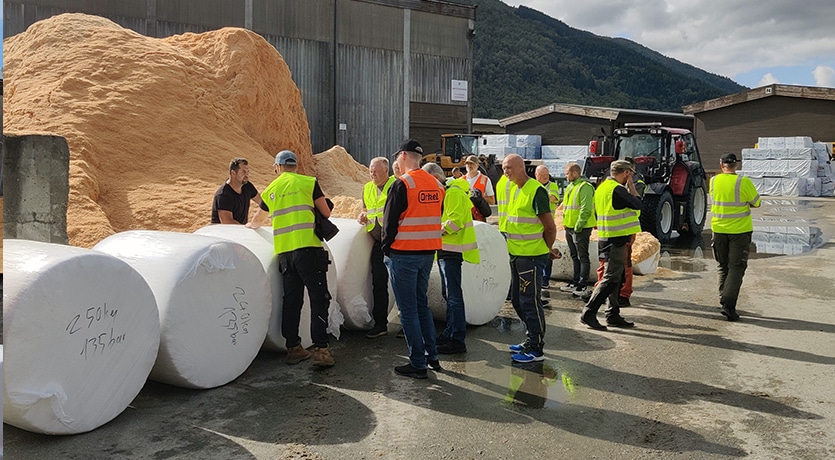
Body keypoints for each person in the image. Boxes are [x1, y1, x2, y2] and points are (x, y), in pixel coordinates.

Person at [247, 150, 335, 367]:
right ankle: (321, 350)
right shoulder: (308, 183)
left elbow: (257, 220)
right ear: (296, 166)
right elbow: (326, 212)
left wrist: (247, 228)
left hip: (285, 255)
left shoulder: (271, 190)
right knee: (318, 298)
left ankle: (293, 347)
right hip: (309, 250)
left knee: (292, 301)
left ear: (277, 167)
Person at [383, 139, 444, 379]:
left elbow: (388, 225)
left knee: (407, 311)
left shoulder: (403, 184)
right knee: (421, 306)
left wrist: (386, 250)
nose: (397, 161)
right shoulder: (437, 185)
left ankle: (418, 363)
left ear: (404, 156)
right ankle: (432, 356)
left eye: (398, 157)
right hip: (427, 254)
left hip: (404, 254)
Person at [502, 154, 560, 363]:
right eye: (503, 168)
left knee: (530, 302)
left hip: (531, 257)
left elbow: (550, 227)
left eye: (509, 167)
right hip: (517, 254)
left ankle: (536, 348)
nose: (506, 171)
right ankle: (530, 338)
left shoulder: (536, 191)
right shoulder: (516, 190)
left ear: (520, 167)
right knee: (517, 301)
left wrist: (546, 249)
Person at [423, 162, 480, 355]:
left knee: (454, 296)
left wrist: (433, 232)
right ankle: (450, 333)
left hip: (451, 250)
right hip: (446, 249)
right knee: (449, 294)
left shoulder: (453, 192)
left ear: (435, 178)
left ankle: (457, 339)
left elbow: (454, 222)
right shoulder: (449, 191)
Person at [580, 160, 641, 330]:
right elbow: (638, 204)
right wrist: (632, 186)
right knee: (612, 277)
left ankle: (612, 314)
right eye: (631, 174)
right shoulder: (618, 190)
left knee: (614, 276)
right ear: (626, 173)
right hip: (616, 239)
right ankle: (589, 312)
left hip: (606, 238)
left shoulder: (602, 188)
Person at [710, 152, 761, 321]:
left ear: (721, 164)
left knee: (723, 266)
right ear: (736, 165)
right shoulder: (743, 181)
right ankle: (728, 304)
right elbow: (757, 202)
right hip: (739, 232)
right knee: (737, 267)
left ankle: (723, 298)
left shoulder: (714, 181)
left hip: (718, 229)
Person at [358, 157, 397, 338]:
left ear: (386, 171)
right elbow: (366, 209)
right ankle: (380, 323)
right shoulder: (367, 188)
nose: (372, 174)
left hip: (397, 241)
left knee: (403, 284)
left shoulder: (396, 185)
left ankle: (409, 323)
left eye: (376, 171)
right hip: (378, 241)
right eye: (370, 171)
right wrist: (363, 215)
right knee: (378, 282)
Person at [560, 162, 596, 299]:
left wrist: (579, 226)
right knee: (575, 256)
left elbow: (585, 209)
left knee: (582, 256)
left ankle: (582, 284)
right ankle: (575, 282)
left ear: (575, 173)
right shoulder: (570, 186)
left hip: (580, 228)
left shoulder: (585, 187)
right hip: (569, 227)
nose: (566, 176)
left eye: (567, 173)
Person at [211, 157, 263, 224]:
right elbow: (227, 222)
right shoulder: (223, 195)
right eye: (243, 172)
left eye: (248, 172)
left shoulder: (247, 186)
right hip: (222, 233)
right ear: (233, 173)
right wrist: (245, 230)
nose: (246, 175)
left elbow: (262, 202)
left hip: (239, 231)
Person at [535, 164, 560, 294]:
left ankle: (546, 279)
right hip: (535, 225)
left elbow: (552, 198)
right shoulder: (533, 186)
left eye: (546, 175)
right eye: (542, 175)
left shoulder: (552, 186)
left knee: (548, 250)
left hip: (548, 225)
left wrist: (537, 198)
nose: (545, 177)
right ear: (536, 175)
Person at [464, 155, 495, 221]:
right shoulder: (461, 180)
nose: (469, 166)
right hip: (465, 217)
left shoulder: (485, 180)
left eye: (472, 164)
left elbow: (492, 201)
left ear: (477, 166)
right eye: (467, 164)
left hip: (479, 217)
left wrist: (480, 198)